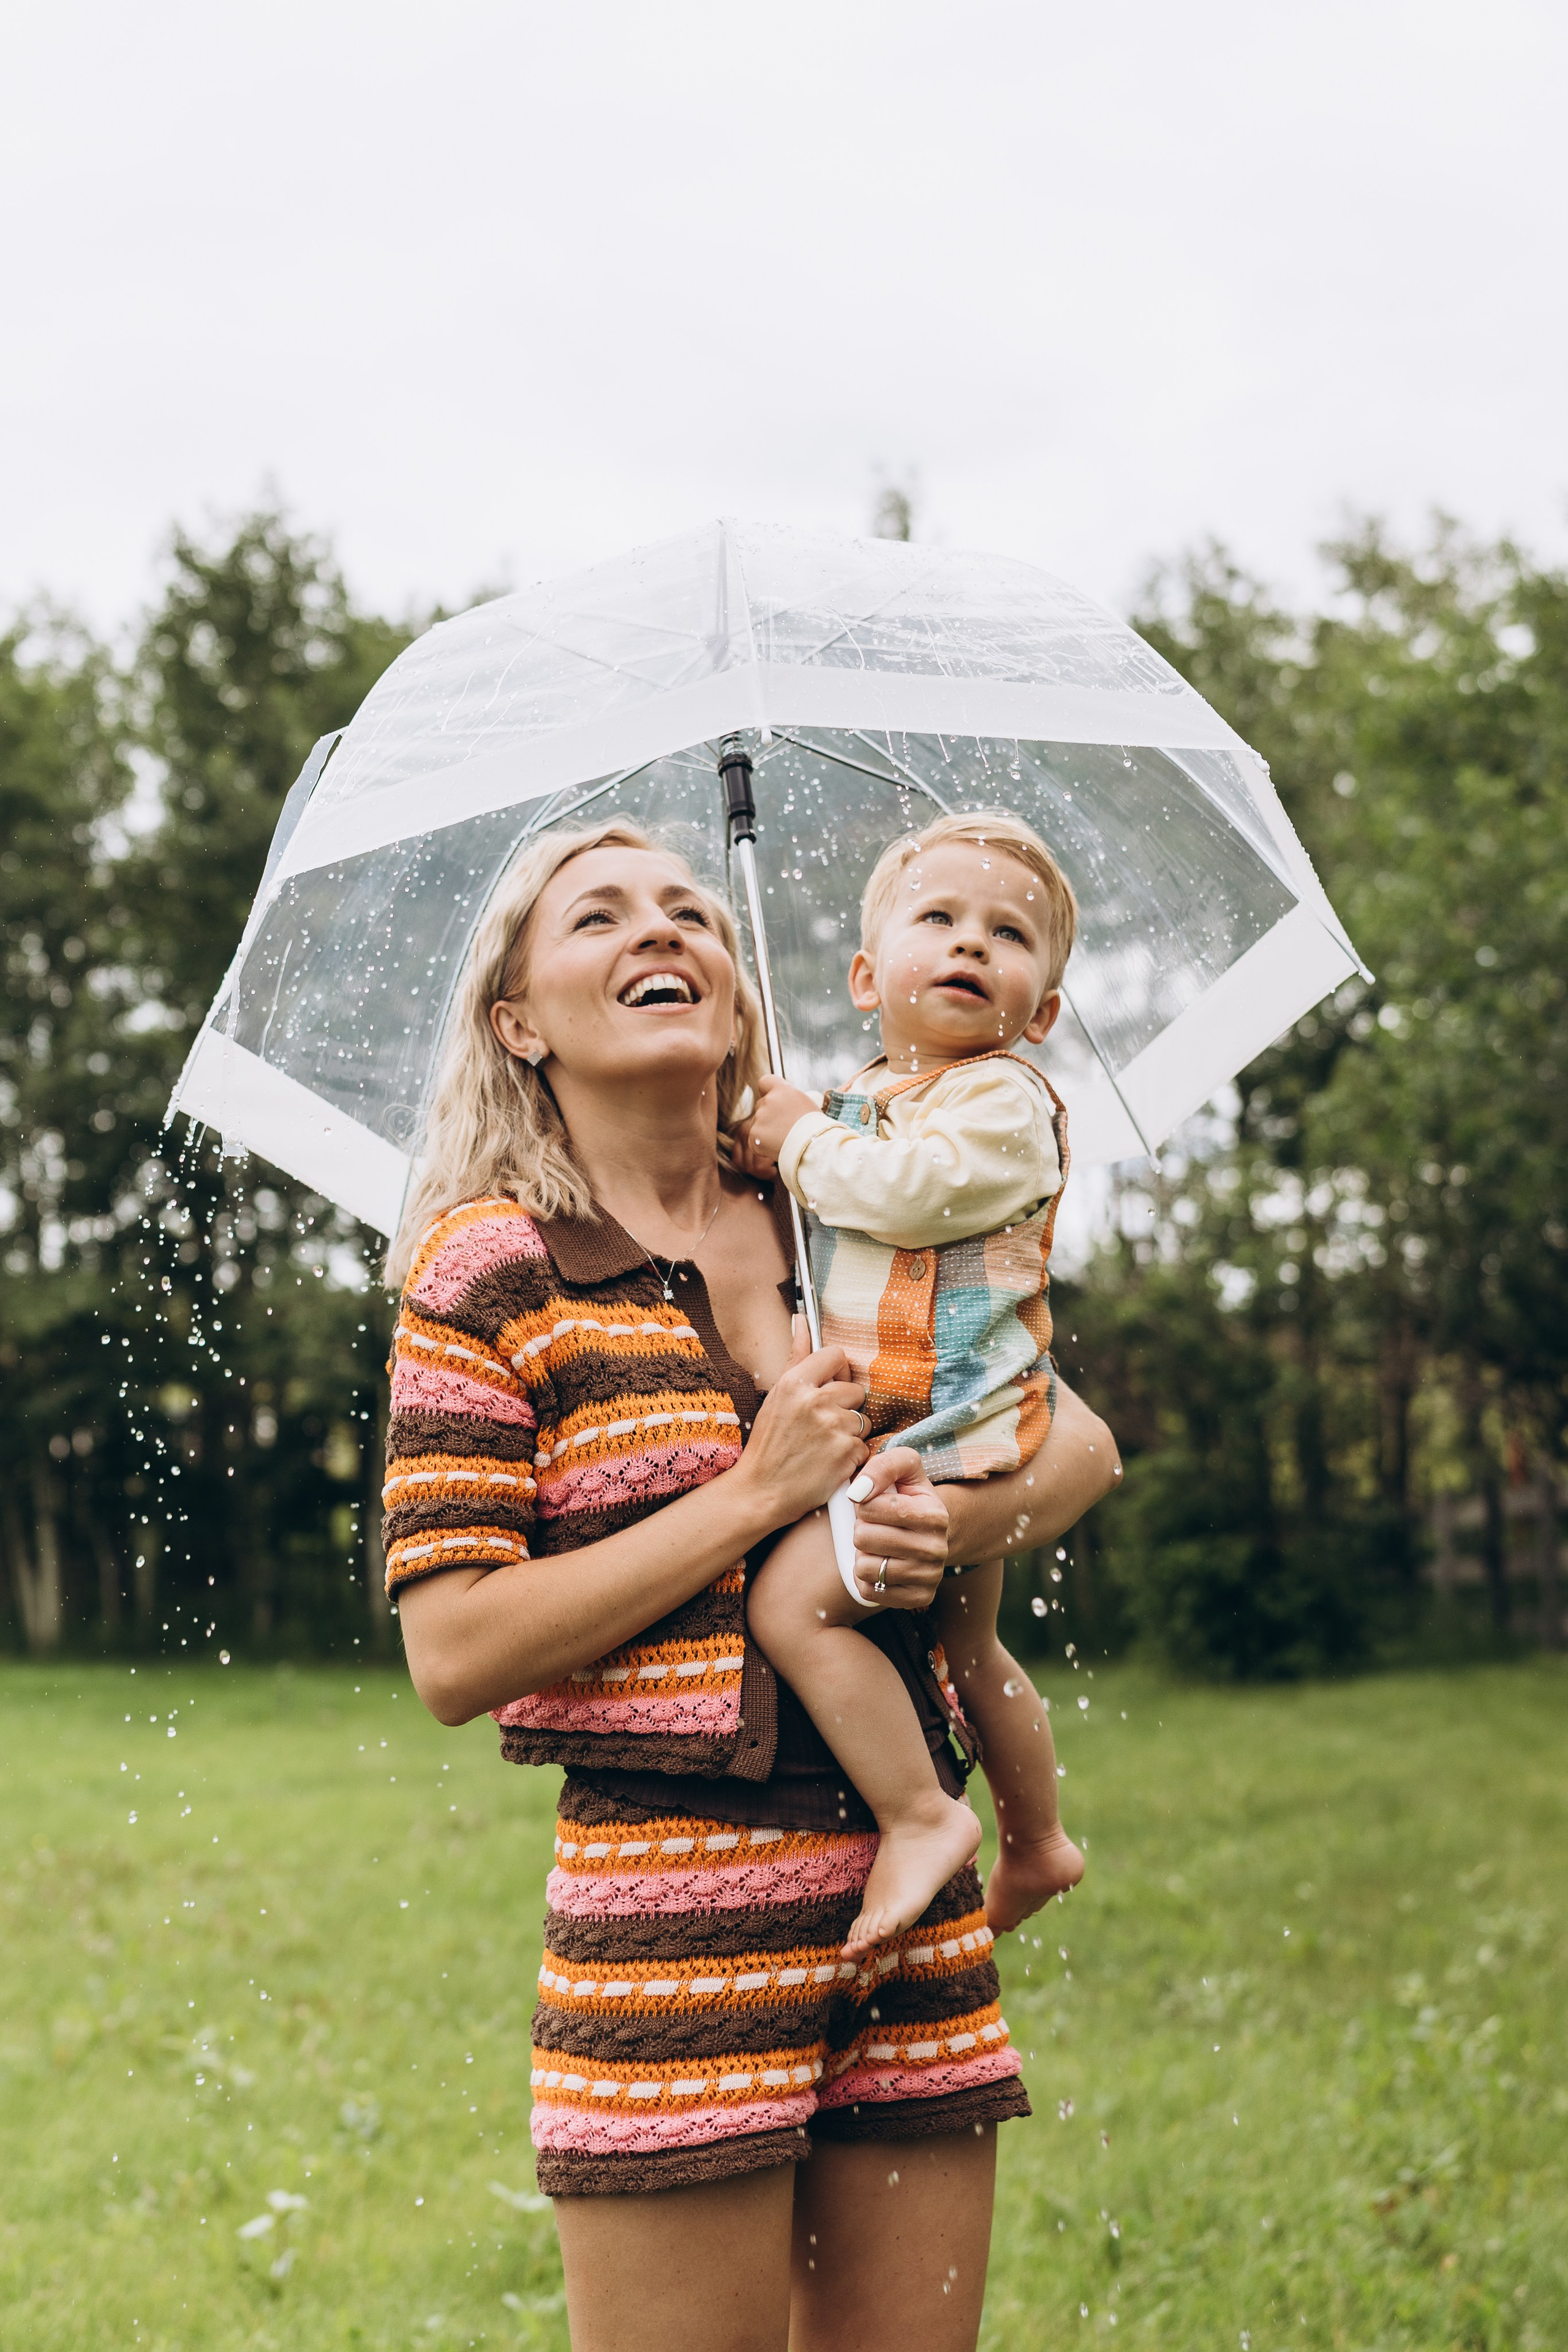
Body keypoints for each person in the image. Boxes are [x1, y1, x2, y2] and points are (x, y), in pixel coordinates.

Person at [386, 817, 1120, 2352]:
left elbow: (1079, 1451)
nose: (661, 931)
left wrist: (947, 1529)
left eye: (690, 912)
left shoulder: (837, 1205)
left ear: (738, 986)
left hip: (905, 1910)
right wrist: (756, 1496)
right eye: (599, 917)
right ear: (519, 1020)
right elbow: (454, 1652)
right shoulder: (488, 1271)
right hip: (672, 1929)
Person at [734, 813, 1085, 1954]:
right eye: (938, 919)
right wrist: (781, 1133)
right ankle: (1037, 1839)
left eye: (1008, 934)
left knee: (793, 1603)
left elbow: (908, 1197)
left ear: (1040, 1012)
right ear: (867, 976)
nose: (971, 945)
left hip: (954, 1424)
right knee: (968, 1648)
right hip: (912, 1416)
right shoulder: (863, 1099)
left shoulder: (1003, 1103)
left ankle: (922, 1815)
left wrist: (797, 1146)